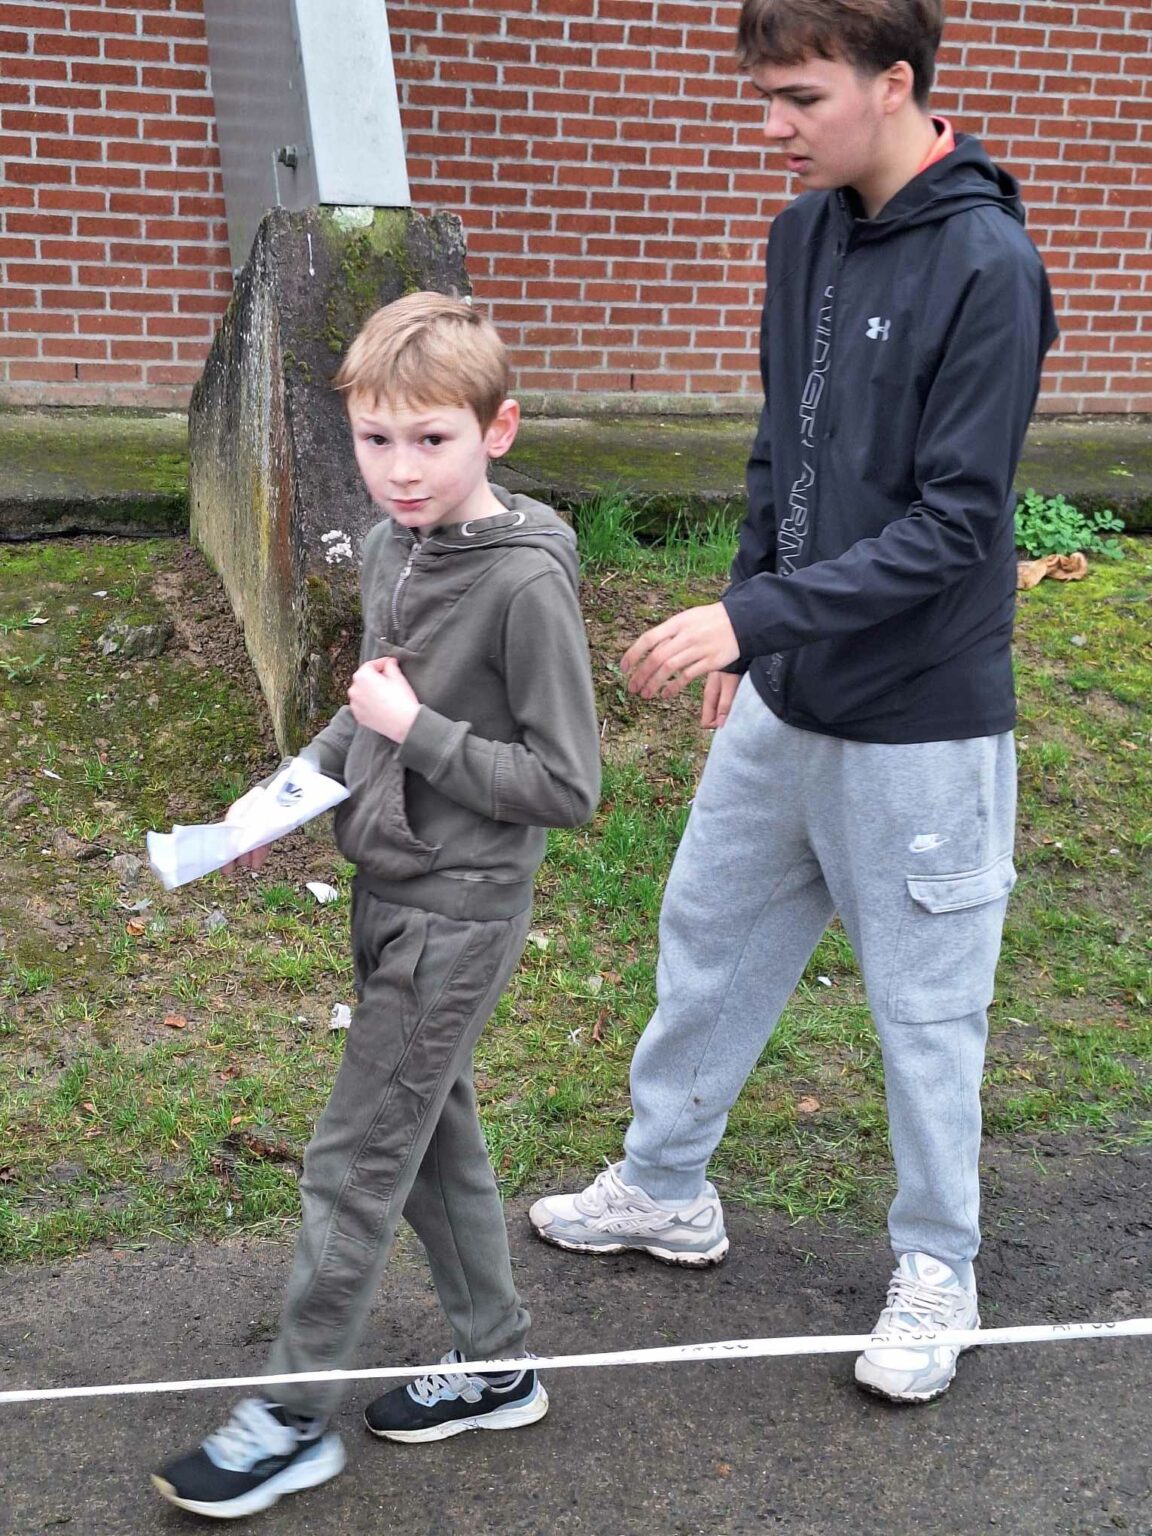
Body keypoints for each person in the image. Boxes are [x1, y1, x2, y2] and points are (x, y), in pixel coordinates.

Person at [530, 0, 1057, 1406]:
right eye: (761, 95)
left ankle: (939, 1267)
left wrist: (749, 618)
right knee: (707, 935)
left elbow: (958, 525)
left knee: (926, 1015)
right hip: (790, 690)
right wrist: (752, 626)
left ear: (896, 84)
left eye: (800, 97)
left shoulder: (989, 265)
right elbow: (789, 451)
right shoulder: (802, 235)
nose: (772, 127)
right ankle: (665, 1188)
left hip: (925, 721)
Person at [153, 292, 601, 1518]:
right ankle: (497, 1362)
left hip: (460, 913)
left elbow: (567, 786)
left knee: (355, 1161)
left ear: (497, 430)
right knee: (430, 1133)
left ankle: (290, 1420)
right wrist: (280, 799)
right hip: (387, 888)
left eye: (432, 440)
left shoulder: (524, 583)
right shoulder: (396, 546)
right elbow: (370, 706)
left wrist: (422, 728)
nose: (401, 470)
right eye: (375, 439)